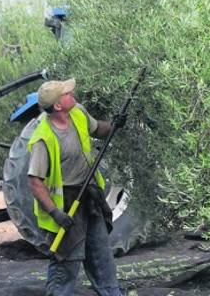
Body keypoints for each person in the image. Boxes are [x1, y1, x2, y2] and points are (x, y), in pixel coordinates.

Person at [27, 78, 126, 296]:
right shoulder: (43, 139)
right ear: (58, 106)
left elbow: (98, 129)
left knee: (102, 258)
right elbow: (35, 182)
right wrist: (55, 213)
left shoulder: (78, 112)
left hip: (89, 196)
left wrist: (115, 125)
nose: (72, 93)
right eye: (66, 93)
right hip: (67, 205)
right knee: (67, 263)